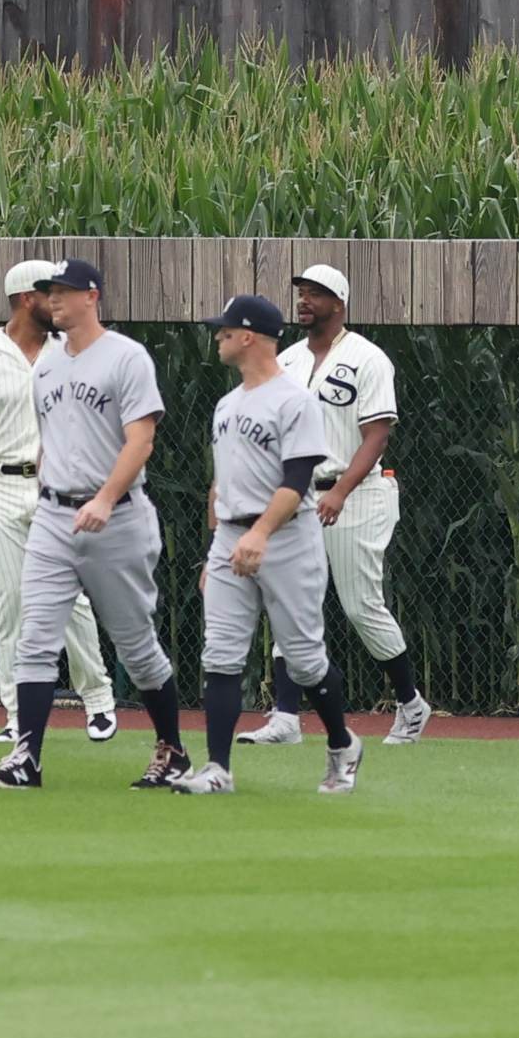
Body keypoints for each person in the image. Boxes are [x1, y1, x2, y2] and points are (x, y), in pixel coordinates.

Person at [0, 260, 192, 791]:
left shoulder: (125, 357)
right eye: (48, 291)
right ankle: (26, 758)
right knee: (34, 638)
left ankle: (172, 750)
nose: (52, 299)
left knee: (136, 646)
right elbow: (52, 438)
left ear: (91, 296)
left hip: (116, 520)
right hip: (53, 515)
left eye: (63, 291)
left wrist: (104, 497)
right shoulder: (47, 365)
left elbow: (141, 440)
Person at [0, 259, 117, 749]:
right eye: (48, 293)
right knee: (10, 603)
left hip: (62, 490)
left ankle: (97, 699)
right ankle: (16, 716)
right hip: (3, 486)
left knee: (72, 598)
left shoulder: (74, 349)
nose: (58, 301)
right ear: (24, 298)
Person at [182, 294, 362, 796]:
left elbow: (298, 478)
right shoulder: (227, 403)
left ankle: (342, 745)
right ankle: (217, 769)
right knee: (219, 653)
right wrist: (218, 546)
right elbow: (222, 482)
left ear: (250, 336)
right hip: (233, 539)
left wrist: (260, 533)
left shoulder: (294, 399)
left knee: (304, 658)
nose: (217, 336)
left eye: (225, 329)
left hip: (287, 537)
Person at [246, 263, 432, 746]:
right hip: (299, 494)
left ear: (339, 303)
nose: (305, 300)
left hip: (358, 491)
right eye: (302, 292)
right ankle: (286, 718)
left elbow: (378, 434)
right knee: (290, 601)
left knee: (359, 605)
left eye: (316, 293)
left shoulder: (368, 358)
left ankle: (411, 704)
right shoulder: (285, 361)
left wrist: (341, 491)